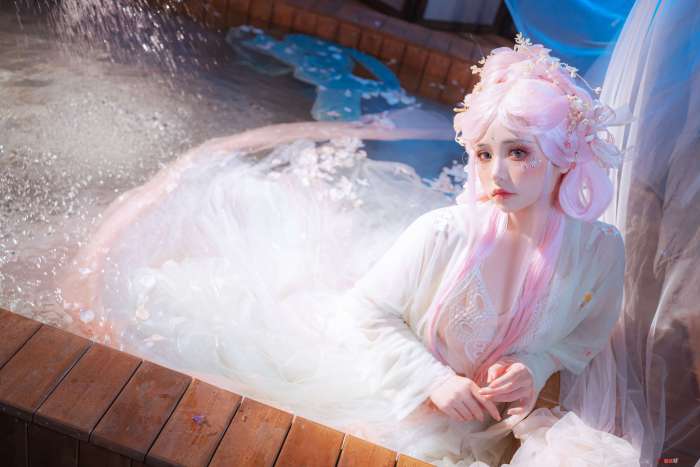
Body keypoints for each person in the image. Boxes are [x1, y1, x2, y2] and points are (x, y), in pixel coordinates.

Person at [59, 35, 641, 466]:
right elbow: (364, 311)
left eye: (519, 153)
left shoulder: (601, 250)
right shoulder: (445, 233)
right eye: (485, 153)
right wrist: (431, 379)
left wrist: (536, 365)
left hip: (494, 423)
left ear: (564, 157)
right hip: (404, 400)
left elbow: (585, 336)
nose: (496, 173)